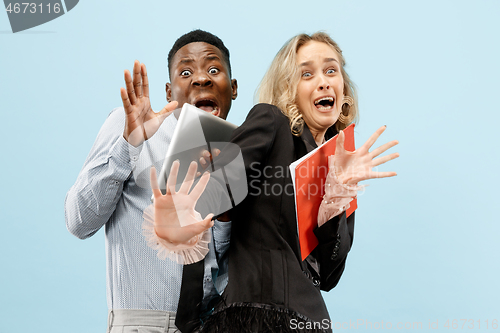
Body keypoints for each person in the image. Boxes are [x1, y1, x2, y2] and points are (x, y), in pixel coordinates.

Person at [150, 32, 399, 333]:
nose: (323, 81)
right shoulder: (271, 122)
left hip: (308, 322)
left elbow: (330, 275)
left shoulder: (343, 166)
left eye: (331, 70)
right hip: (251, 317)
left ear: (342, 87)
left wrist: (337, 196)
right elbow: (217, 193)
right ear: (288, 88)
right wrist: (184, 210)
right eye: (306, 74)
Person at [65, 29, 237, 333]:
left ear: (233, 88)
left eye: (213, 69)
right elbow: (79, 221)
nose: (201, 79)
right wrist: (128, 145)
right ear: (169, 91)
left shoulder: (238, 156)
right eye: (186, 72)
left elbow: (225, 273)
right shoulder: (131, 126)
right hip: (143, 325)